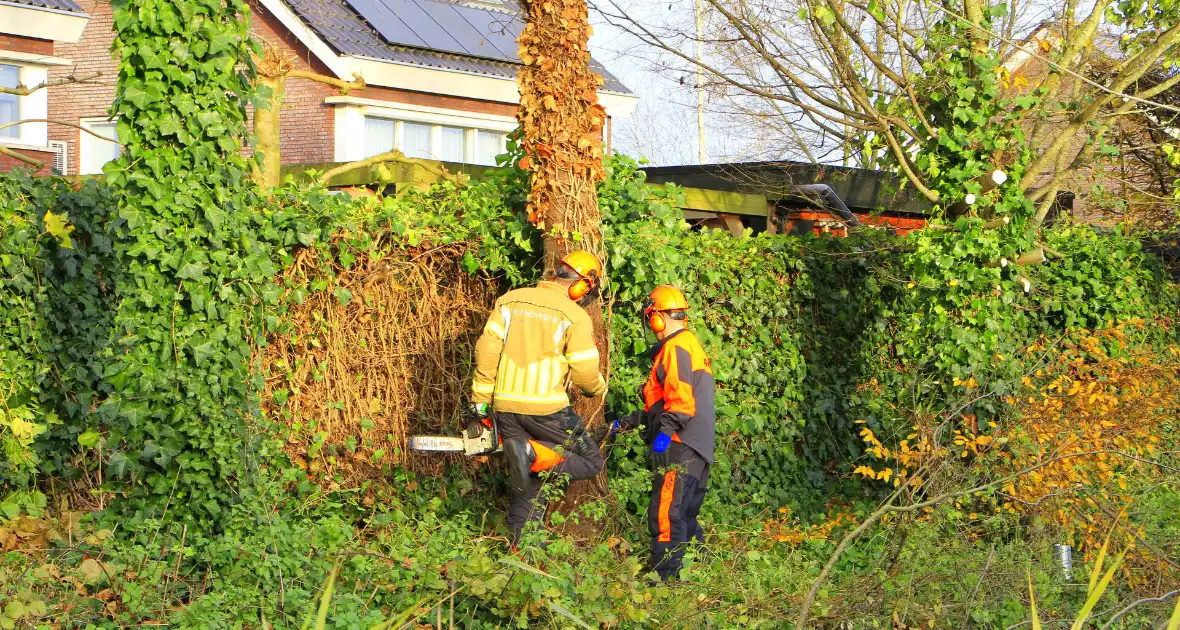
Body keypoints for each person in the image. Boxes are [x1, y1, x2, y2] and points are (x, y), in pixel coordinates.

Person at [469, 250, 609, 546]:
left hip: (505, 406)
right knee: (590, 460)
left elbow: (486, 352)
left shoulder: (510, 300)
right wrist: (597, 388)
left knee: (529, 485)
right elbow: (585, 373)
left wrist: (481, 399)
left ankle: (523, 550)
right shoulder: (574, 315)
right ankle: (531, 451)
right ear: (582, 285)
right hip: (547, 409)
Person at [611, 285, 715, 580]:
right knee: (686, 515)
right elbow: (665, 404)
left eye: (650, 318)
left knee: (666, 514)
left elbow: (681, 405)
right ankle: (701, 574)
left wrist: (663, 437)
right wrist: (630, 422)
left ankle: (666, 581)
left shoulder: (675, 348)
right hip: (697, 446)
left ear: (658, 317)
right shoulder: (690, 346)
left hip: (680, 443)